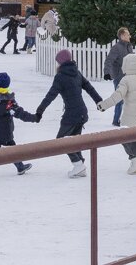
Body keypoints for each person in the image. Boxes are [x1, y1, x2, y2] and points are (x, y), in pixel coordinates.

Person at [35, 49, 103, 178]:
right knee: (74, 140)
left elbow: (51, 95)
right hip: (82, 112)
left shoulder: (60, 76)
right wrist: (99, 101)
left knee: (62, 141)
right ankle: (80, 165)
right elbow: (89, 87)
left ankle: (78, 165)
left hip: (72, 114)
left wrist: (40, 111)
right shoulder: (76, 72)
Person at [98, 52, 136, 173]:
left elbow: (117, 96)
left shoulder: (125, 80)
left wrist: (103, 106)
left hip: (129, 117)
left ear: (126, 65)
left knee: (124, 137)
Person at [103, 27, 135, 126]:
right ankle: (115, 120)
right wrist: (107, 73)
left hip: (128, 76)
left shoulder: (129, 46)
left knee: (130, 98)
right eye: (127, 34)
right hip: (119, 76)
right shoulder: (116, 47)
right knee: (120, 99)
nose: (129, 36)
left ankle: (128, 119)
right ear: (122, 36)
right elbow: (109, 60)